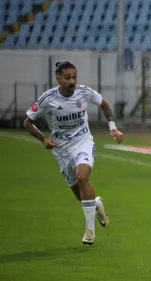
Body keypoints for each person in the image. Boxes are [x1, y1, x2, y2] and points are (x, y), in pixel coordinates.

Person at [23, 61, 124, 245]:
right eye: (67, 77)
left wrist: (113, 127)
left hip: (82, 141)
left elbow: (104, 104)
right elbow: (27, 122)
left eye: (74, 77)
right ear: (58, 78)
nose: (72, 81)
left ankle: (90, 231)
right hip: (61, 149)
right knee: (80, 194)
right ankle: (96, 204)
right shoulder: (48, 99)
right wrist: (43, 138)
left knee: (82, 176)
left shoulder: (84, 92)